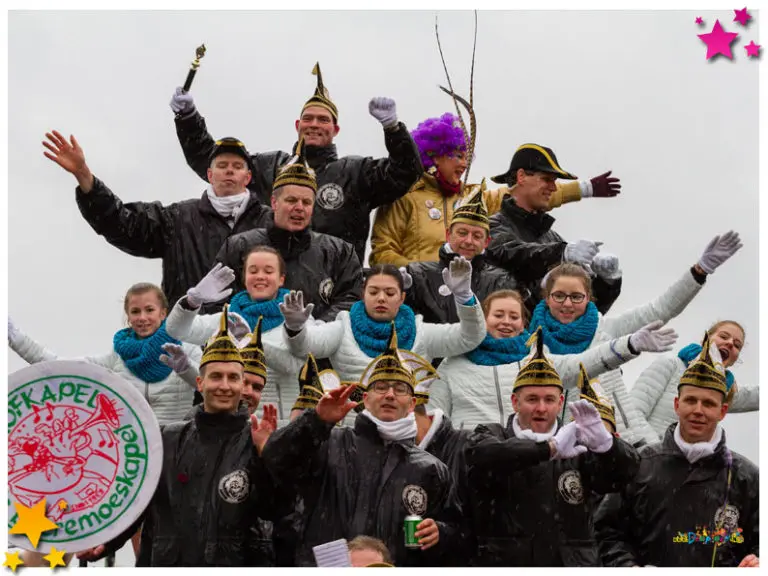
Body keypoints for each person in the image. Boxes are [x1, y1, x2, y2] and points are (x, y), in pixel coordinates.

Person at [76, 308, 286, 567]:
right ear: (200, 383)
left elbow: (278, 510)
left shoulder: (258, 441)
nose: (224, 385)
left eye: (233, 378)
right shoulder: (166, 439)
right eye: (216, 376)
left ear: (241, 383)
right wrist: (106, 541)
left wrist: (267, 454)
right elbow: (136, 505)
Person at [171, 62, 423, 266]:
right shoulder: (269, 166)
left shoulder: (356, 172)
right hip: (269, 282)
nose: (314, 124)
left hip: (335, 285)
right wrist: (188, 119)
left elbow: (406, 172)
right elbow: (215, 162)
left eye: (323, 120)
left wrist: (393, 128)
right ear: (297, 125)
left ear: (335, 129)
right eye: (308, 118)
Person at [527, 231, 743, 446]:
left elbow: (660, 309)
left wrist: (699, 271)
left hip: (625, 440)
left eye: (576, 297)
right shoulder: (531, 345)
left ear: (589, 299)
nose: (567, 304)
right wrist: (626, 346)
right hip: (562, 446)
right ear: (546, 297)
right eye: (559, 296)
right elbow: (569, 371)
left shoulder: (606, 330)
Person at [261, 335, 459, 567]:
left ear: (413, 403)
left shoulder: (432, 469)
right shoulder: (329, 442)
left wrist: (441, 533)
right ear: (365, 398)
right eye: (381, 387)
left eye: (400, 389)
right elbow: (275, 459)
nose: (390, 394)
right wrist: (316, 420)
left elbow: (457, 533)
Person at [43, 130, 272, 312]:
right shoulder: (177, 218)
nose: (229, 171)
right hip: (188, 344)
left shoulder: (271, 222)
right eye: (222, 166)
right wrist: (84, 175)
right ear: (210, 175)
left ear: (248, 177)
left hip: (255, 344)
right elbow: (124, 224)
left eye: (237, 166)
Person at [464, 337, 640, 566]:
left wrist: (607, 446)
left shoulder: (580, 445)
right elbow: (482, 454)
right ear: (515, 402)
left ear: (560, 403)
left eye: (549, 399)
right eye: (532, 399)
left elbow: (626, 475)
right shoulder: (492, 434)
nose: (541, 408)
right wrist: (548, 449)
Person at [593, 334, 759, 567]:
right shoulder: (639, 464)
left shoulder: (748, 477)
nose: (698, 410)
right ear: (677, 404)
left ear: (722, 412)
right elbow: (607, 532)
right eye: (691, 400)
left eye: (708, 404)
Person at [369, 113, 618, 267]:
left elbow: (522, 195)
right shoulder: (404, 197)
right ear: (433, 155)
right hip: (417, 301)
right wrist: (420, 274)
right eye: (457, 155)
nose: (464, 163)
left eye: (467, 156)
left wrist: (585, 188)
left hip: (464, 297)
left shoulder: (472, 198)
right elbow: (383, 251)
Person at [428, 292, 678, 431]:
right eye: (498, 315)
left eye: (514, 316)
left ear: (523, 324)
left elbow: (584, 363)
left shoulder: (537, 361)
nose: (506, 321)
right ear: (483, 319)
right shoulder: (453, 364)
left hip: (529, 457)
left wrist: (630, 344)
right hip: (471, 464)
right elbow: (434, 418)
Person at [8, 282, 201, 425]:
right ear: (128, 316)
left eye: (149, 310)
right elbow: (60, 366)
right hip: (135, 454)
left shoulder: (186, 348)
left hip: (175, 451)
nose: (142, 318)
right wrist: (15, 338)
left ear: (163, 313)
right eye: (135, 311)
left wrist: (186, 369)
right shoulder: (116, 358)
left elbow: (211, 386)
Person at [215, 138, 362, 322]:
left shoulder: (339, 252)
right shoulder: (238, 246)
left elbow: (351, 301)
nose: (299, 208)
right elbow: (218, 301)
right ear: (274, 202)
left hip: (315, 347)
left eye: (306, 202)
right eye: (291, 201)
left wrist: (312, 330)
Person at [278, 259, 486, 384]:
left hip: (406, 430)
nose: (381, 298)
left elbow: (470, 337)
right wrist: (296, 329)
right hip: (352, 431)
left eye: (389, 292)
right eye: (374, 291)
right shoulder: (344, 327)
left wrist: (464, 297)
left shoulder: (421, 332)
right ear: (363, 295)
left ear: (402, 298)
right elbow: (304, 348)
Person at [166, 246, 309, 426]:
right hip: (231, 425)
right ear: (245, 278)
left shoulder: (296, 316)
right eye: (253, 270)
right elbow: (176, 330)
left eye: (268, 271)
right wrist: (192, 301)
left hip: (277, 424)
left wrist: (249, 341)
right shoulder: (229, 318)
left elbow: (293, 365)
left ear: (281, 279)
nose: (260, 276)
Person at [486, 143, 624, 315]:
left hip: (547, 341)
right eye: (547, 179)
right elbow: (513, 255)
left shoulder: (552, 239)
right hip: (509, 337)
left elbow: (586, 310)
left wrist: (606, 281)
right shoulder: (492, 227)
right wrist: (562, 253)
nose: (553, 187)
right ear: (521, 176)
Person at [403, 184, 521, 324]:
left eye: (477, 236)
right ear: (448, 234)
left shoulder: (501, 280)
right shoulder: (418, 274)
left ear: (486, 242)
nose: (469, 241)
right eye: (462, 233)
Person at [631, 320, 758, 441]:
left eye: (737, 345)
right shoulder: (671, 365)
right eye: (724, 337)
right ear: (705, 340)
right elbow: (632, 413)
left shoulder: (725, 391)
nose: (730, 343)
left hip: (681, 462)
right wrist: (655, 454)